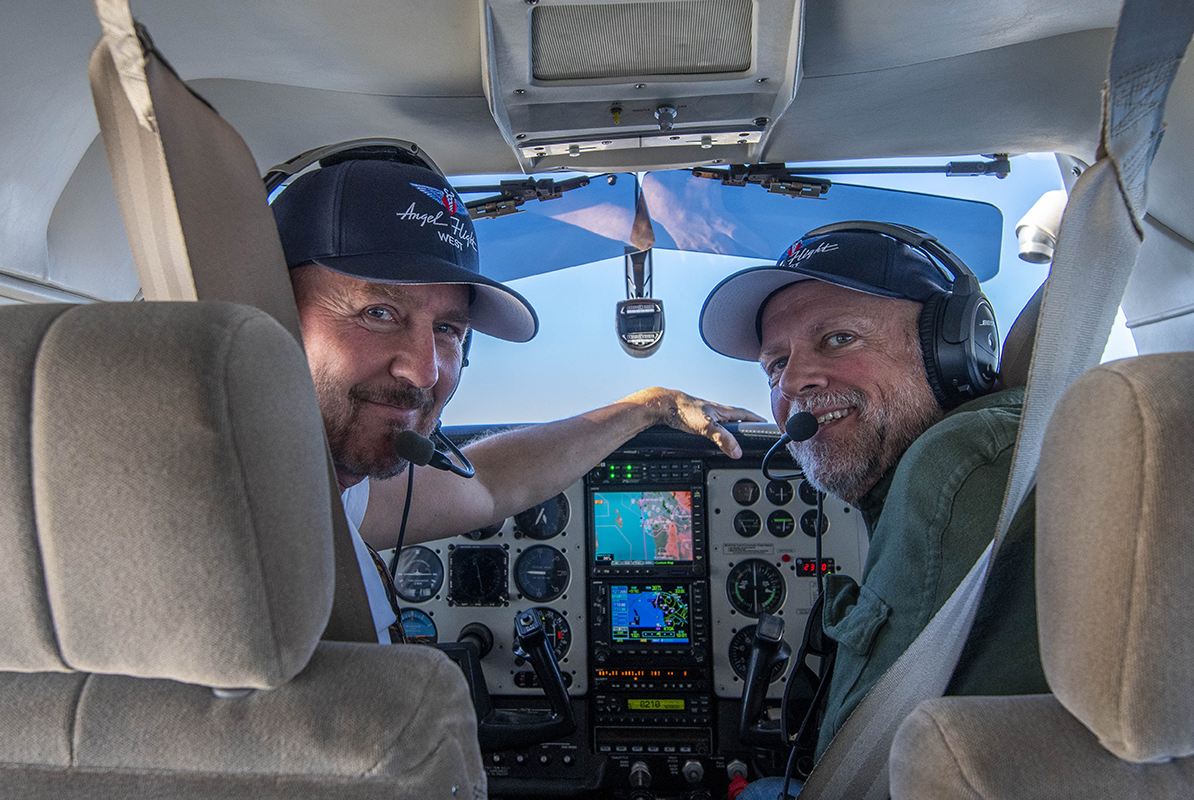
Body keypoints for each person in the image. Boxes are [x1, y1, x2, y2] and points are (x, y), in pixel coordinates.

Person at [270, 151, 762, 642]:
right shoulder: (225, 513)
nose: (423, 371)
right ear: (270, 313)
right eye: (378, 313)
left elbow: (490, 484)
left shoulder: (333, 494)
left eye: (447, 329)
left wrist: (651, 404)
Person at [698, 224, 1048, 797]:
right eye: (775, 363)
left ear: (954, 347)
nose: (794, 382)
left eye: (838, 339)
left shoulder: (959, 468)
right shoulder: (1006, 449)